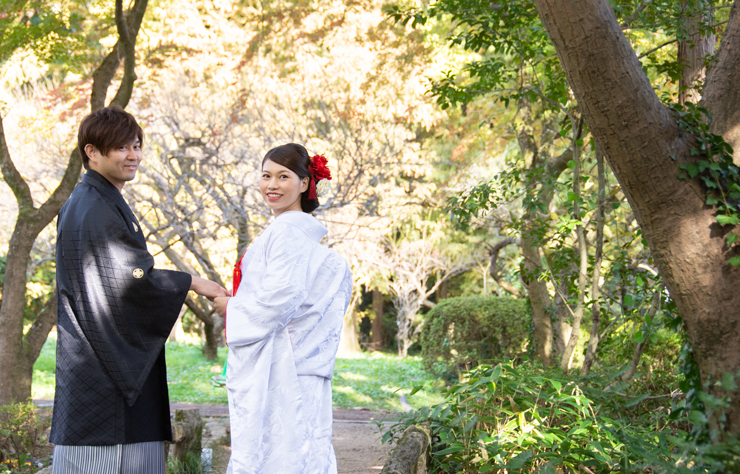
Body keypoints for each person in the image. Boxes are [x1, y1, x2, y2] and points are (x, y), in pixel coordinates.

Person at [50, 106, 229, 473]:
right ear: (92, 152)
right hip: (104, 375)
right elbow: (126, 282)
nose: (133, 156)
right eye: (121, 148)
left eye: (136, 146)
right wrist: (195, 283)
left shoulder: (94, 200)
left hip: (98, 362)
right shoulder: (94, 206)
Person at [213, 143, 352, 474]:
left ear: (305, 183)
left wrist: (230, 308)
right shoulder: (297, 235)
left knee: (279, 457)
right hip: (299, 366)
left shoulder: (287, 233)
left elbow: (280, 301)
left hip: (282, 371)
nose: (271, 185)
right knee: (302, 454)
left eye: (283, 176)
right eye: (266, 176)